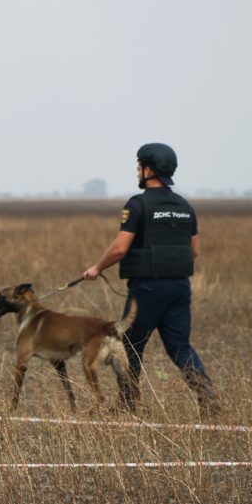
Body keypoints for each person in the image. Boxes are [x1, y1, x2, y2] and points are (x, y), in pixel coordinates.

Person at [82, 143, 217, 413]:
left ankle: (128, 404)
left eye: (138, 167)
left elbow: (120, 248)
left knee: (129, 345)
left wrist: (97, 268)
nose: (136, 172)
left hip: (147, 289)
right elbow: (194, 251)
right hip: (179, 288)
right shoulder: (185, 206)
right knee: (180, 347)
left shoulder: (137, 205)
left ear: (149, 169)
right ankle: (207, 397)